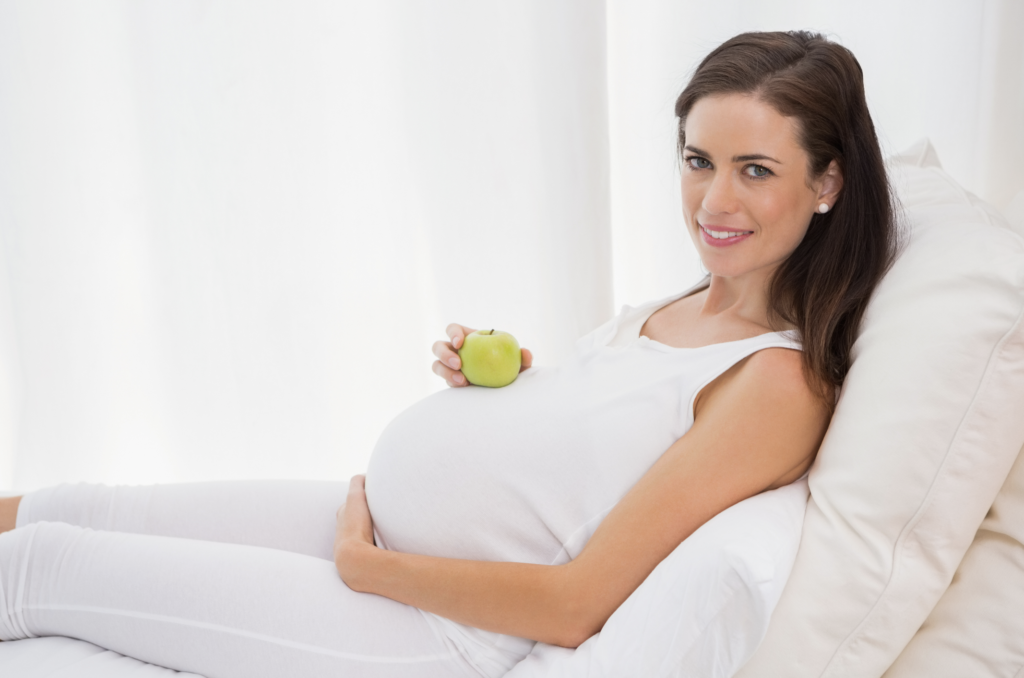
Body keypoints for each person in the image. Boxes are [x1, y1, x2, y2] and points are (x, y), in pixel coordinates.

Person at [0, 30, 898, 678]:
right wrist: (509, 388)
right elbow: (599, 460)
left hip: (436, 630)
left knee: (44, 567)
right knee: (75, 506)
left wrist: (367, 568)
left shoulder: (779, 380)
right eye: (698, 159)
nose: (713, 200)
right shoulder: (678, 304)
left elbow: (579, 599)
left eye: (755, 170)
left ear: (827, 182)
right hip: (389, 539)